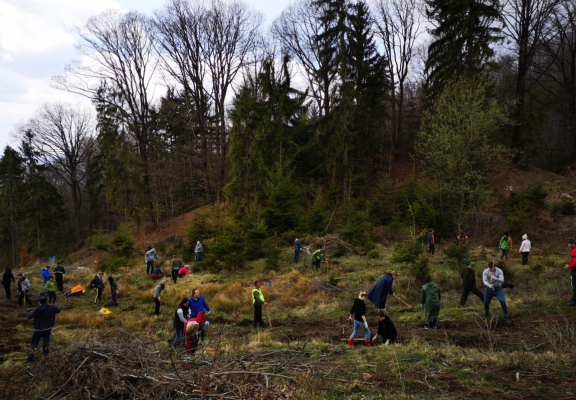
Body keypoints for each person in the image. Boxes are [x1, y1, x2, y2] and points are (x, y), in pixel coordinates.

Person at [26, 296, 61, 362]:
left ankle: (30, 359)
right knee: (46, 343)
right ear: (46, 301)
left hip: (38, 329)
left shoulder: (37, 309)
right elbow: (58, 310)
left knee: (34, 344)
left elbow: (29, 316)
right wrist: (58, 306)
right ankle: (46, 357)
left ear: (39, 302)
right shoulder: (51, 306)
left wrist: (29, 312)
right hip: (47, 328)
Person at [564, 237, 576, 306]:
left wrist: (569, 266)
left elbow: (575, 262)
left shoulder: (574, 251)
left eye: (569, 244)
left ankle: (575, 300)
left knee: (574, 285)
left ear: (573, 244)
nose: (568, 246)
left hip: (575, 270)